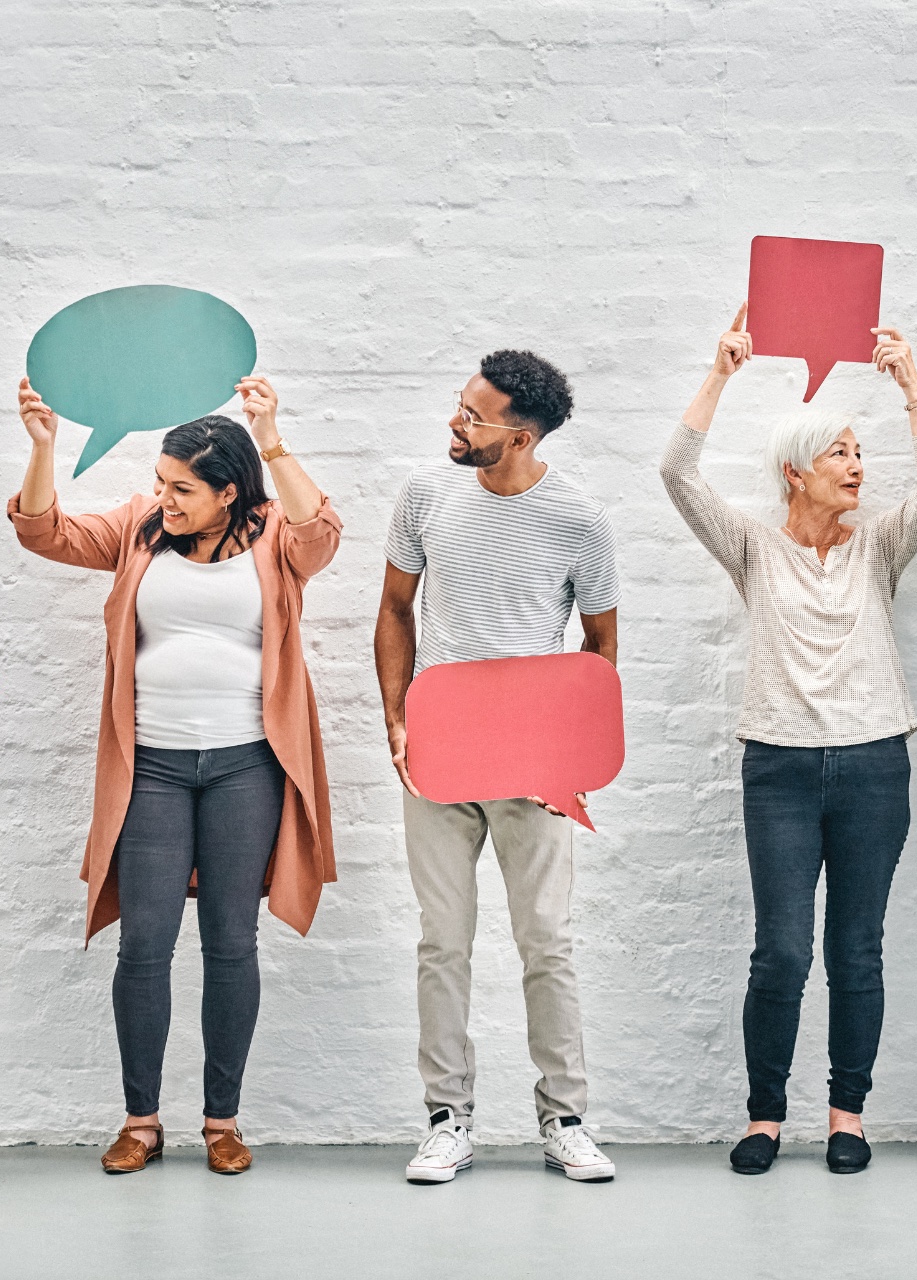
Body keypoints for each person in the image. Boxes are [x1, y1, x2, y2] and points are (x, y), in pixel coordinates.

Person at [9, 375, 341, 1175]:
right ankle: (141, 1120)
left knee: (231, 942)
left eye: (183, 488)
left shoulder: (272, 536)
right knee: (145, 945)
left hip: (246, 768)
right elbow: (43, 532)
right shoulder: (138, 528)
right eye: (159, 484)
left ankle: (222, 1122)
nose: (164, 499)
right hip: (150, 767)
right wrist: (45, 449)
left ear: (229, 492)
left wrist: (270, 435)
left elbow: (322, 531)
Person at [660, 306, 917, 1175]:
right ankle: (765, 1117)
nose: (859, 468)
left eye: (860, 453)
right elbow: (676, 474)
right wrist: (721, 371)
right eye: (840, 454)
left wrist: (912, 389)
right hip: (779, 769)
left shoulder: (880, 549)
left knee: (856, 949)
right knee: (781, 950)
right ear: (796, 472)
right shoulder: (752, 547)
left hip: (873, 766)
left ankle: (847, 1116)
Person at [375, 349, 622, 1184]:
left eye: (472, 416)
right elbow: (395, 609)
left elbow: (600, 646)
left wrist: (577, 751)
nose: (455, 421)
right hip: (439, 756)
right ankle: (448, 1120)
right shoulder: (425, 495)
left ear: (518, 438)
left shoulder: (578, 520)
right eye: (459, 405)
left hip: (536, 765)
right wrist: (397, 718)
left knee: (546, 942)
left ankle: (566, 1120)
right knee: (441, 943)